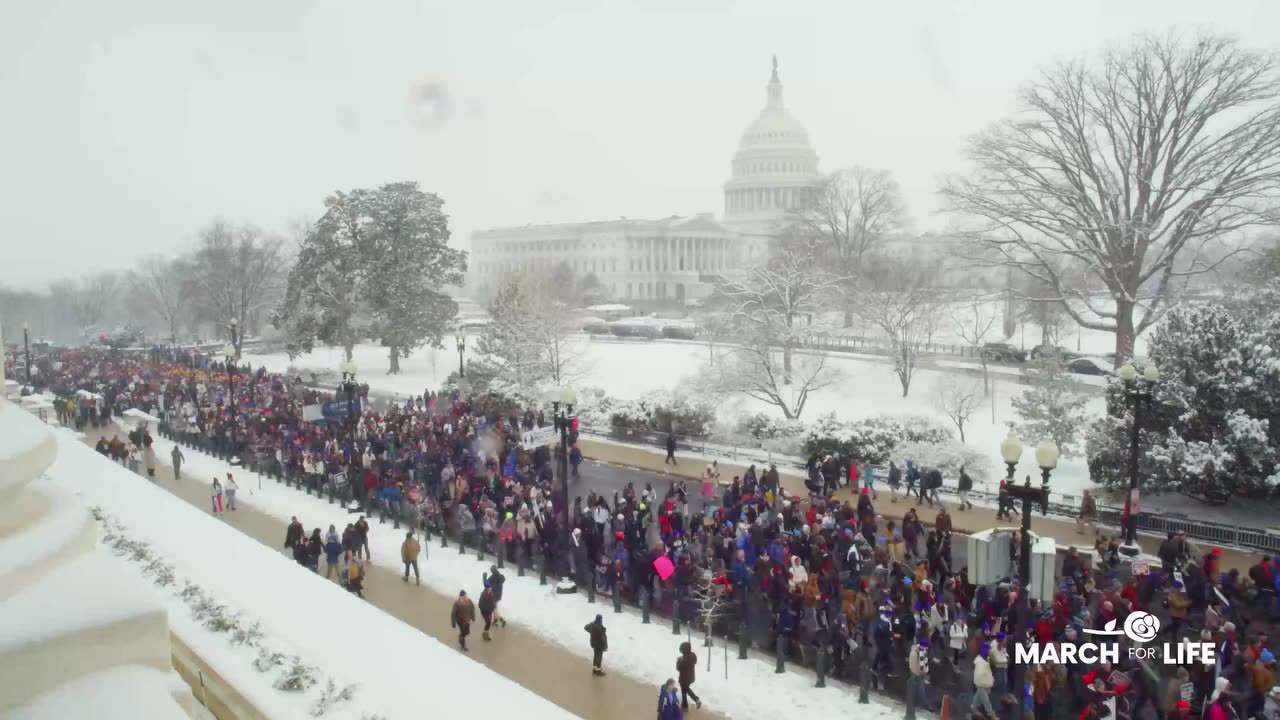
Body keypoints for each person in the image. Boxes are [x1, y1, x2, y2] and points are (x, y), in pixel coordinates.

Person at [676, 641, 702, 710]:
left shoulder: (682, 660)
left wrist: (678, 661)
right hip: (691, 677)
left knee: (685, 690)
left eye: (681, 649)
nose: (680, 650)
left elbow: (678, 668)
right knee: (685, 689)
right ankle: (685, 705)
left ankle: (696, 700)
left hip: (684, 678)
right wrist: (681, 658)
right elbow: (695, 661)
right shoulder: (692, 655)